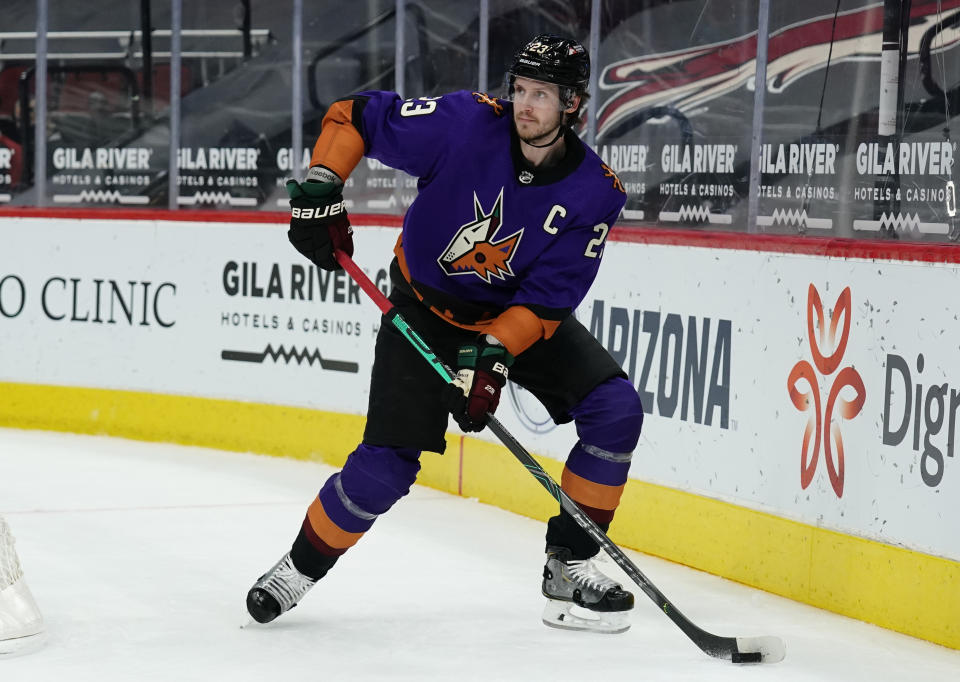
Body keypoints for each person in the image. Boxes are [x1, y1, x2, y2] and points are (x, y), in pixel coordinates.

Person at [246, 34, 645, 634]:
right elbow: (354, 116)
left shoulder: (596, 192)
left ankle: (570, 569)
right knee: (384, 467)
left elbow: (548, 300)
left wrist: (491, 358)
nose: (525, 106)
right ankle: (298, 569)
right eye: (520, 90)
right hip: (423, 312)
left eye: (542, 94)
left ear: (573, 106)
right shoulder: (466, 124)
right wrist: (323, 186)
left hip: (511, 318)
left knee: (615, 409)